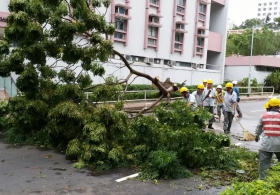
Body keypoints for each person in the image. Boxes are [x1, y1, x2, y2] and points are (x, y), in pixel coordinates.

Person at [255, 97, 280, 180]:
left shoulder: (263, 116)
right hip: (279, 145)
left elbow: (258, 128)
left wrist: (257, 136)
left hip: (266, 144)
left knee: (264, 165)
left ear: (269, 106)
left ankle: (262, 181)